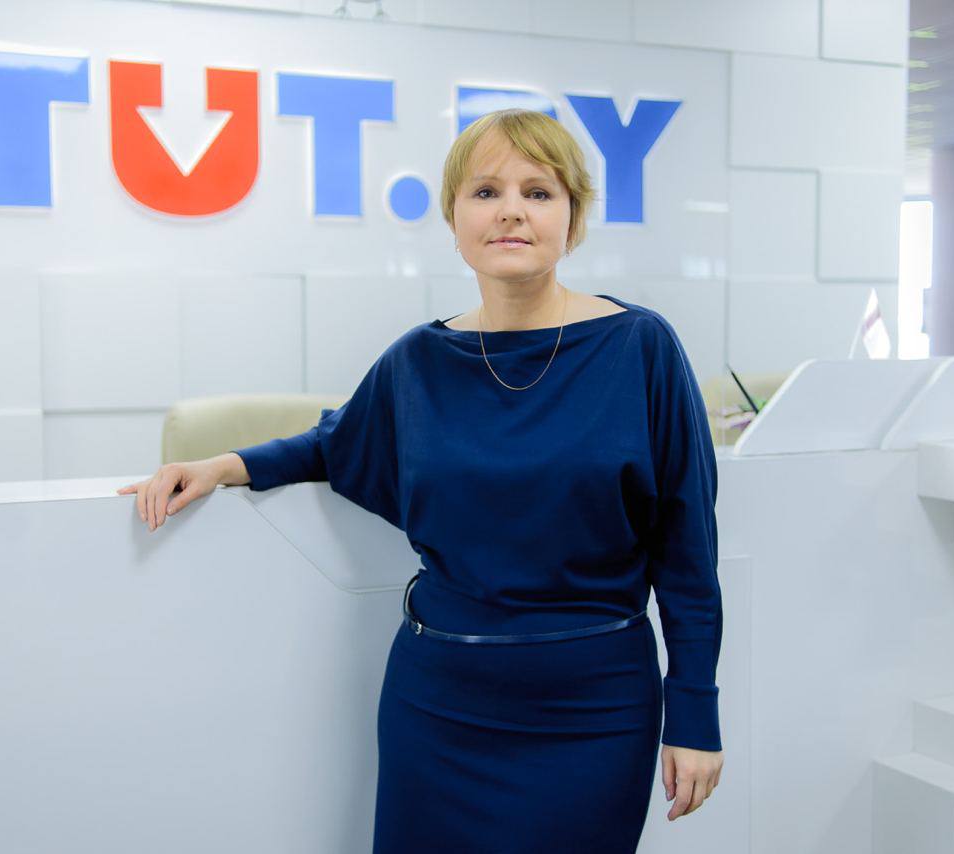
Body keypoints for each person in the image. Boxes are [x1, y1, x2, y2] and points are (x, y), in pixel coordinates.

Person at [118, 107, 724, 851]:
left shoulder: (640, 347)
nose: (511, 211)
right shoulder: (419, 360)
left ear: (573, 217)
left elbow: (688, 553)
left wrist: (695, 711)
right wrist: (221, 465)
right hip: (439, 705)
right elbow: (333, 443)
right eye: (485, 191)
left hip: (592, 709)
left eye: (538, 192)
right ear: (453, 218)